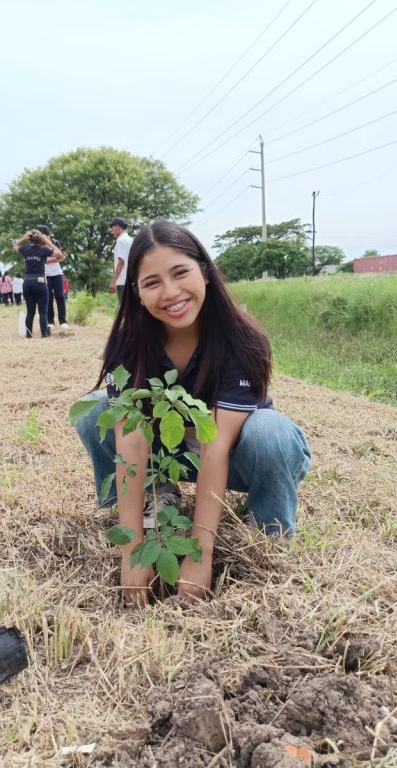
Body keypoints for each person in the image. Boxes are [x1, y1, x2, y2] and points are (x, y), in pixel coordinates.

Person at [74, 220, 311, 606]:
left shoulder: (242, 340)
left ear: (205, 271)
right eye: (152, 282)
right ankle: (158, 496)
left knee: (272, 433)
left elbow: (215, 447)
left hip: (237, 456)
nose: (170, 293)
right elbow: (131, 444)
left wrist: (200, 554)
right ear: (137, 293)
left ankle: (269, 530)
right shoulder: (128, 345)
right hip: (173, 455)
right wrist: (133, 550)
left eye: (180, 273)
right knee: (96, 411)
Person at [13, 228, 63, 338]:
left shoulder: (25, 249)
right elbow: (59, 254)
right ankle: (44, 334)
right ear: (41, 239)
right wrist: (48, 242)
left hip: (27, 282)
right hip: (40, 282)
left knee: (30, 311)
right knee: (43, 312)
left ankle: (29, 335)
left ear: (30, 239)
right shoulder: (43, 250)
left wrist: (23, 238)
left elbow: (15, 246)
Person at [37, 225, 68, 329]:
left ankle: (63, 321)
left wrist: (56, 258)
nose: (41, 237)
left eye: (42, 234)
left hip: (57, 273)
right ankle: (50, 321)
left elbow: (62, 257)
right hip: (45, 274)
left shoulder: (55, 242)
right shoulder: (39, 245)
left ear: (48, 234)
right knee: (48, 297)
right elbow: (43, 261)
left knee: (60, 296)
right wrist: (56, 258)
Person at [109, 216, 133, 299]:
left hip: (122, 281)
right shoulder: (130, 240)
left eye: (112, 229)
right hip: (131, 279)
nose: (112, 232)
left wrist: (113, 281)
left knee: (124, 305)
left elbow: (121, 262)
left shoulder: (120, 241)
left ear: (118, 227)